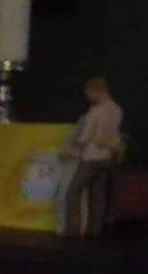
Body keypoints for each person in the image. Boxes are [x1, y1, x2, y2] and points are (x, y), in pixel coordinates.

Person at [60, 75, 123, 237]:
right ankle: (95, 230)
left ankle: (72, 228)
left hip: (91, 157)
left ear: (96, 91)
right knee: (98, 195)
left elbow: (85, 136)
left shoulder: (95, 111)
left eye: (88, 94)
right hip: (106, 156)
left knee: (72, 191)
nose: (87, 98)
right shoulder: (117, 110)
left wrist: (71, 147)